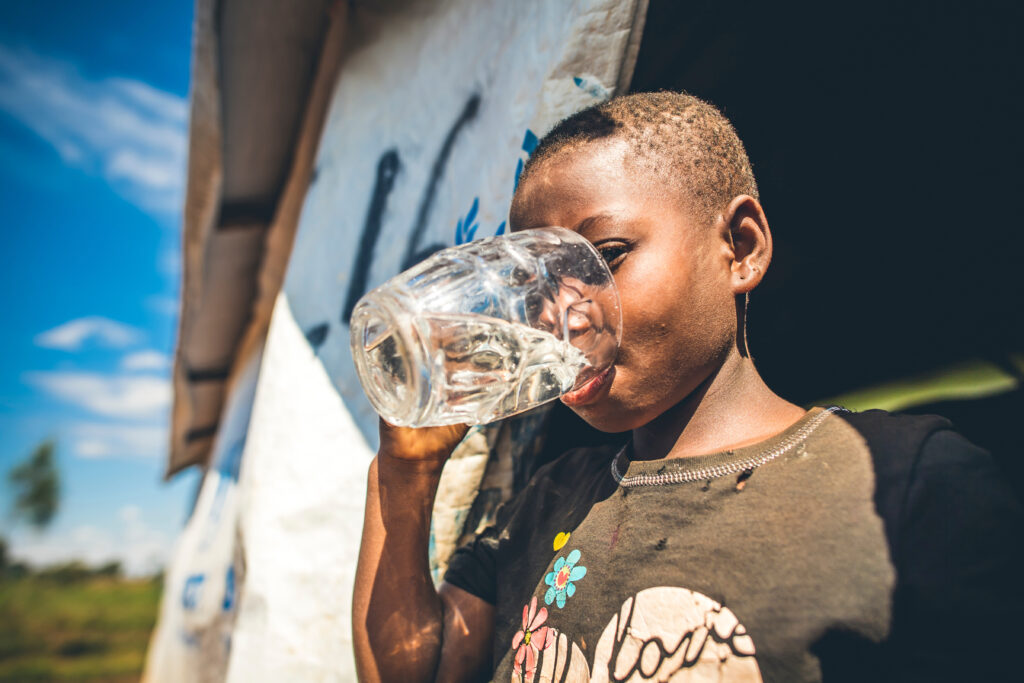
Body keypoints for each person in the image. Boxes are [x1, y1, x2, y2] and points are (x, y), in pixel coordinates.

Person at [352, 92, 1023, 682]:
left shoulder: (905, 480)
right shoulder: (547, 502)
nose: (564, 314)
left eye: (606, 257)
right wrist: (405, 473)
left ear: (741, 246)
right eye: (541, 283)